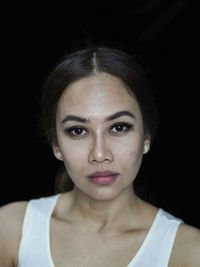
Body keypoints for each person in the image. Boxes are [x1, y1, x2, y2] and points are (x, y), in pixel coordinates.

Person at [0, 46, 199, 267]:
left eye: (119, 127)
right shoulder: (10, 231)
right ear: (56, 144)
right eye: (78, 131)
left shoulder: (188, 251)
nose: (100, 154)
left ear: (146, 136)